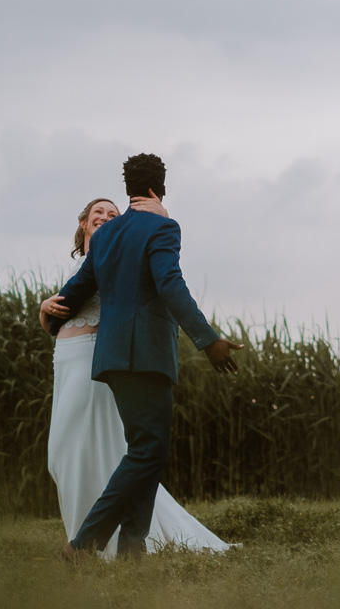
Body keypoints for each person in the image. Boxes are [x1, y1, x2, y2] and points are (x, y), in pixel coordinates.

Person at [43, 153, 244, 561]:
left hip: (110, 359)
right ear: (159, 188)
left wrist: (48, 312)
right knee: (147, 450)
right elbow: (170, 284)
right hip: (144, 355)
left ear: (128, 188)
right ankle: (83, 545)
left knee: (144, 451)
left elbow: (76, 292)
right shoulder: (162, 226)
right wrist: (208, 341)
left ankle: (133, 552)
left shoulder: (106, 236)